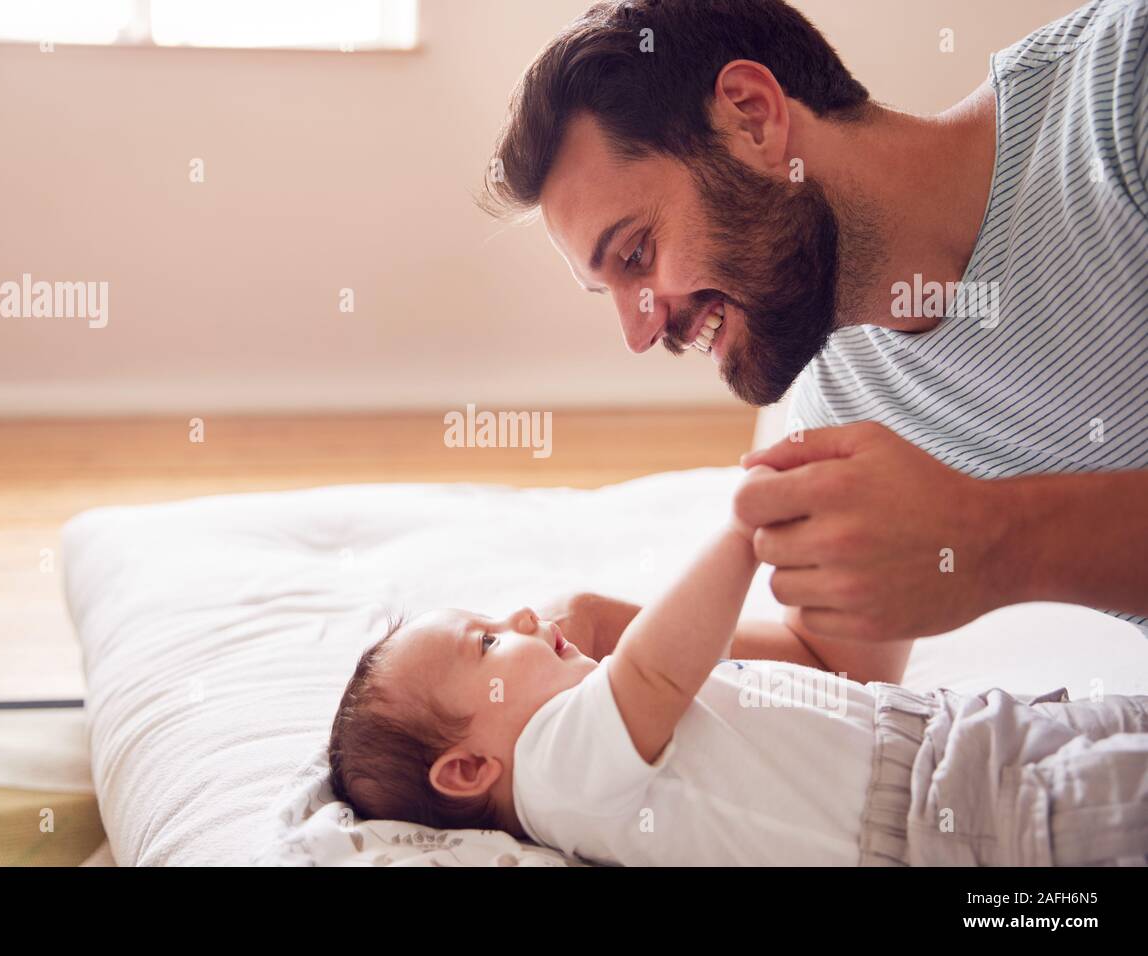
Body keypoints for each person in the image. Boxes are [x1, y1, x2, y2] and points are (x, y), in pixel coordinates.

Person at [480, 0, 1147, 641]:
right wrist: (609, 631)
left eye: (636, 254)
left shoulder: (1121, 86)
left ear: (752, 117)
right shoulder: (842, 398)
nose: (639, 334)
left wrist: (1000, 541)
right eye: (611, 293)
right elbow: (830, 664)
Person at [326, 467, 1148, 864]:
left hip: (956, 744)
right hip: (957, 825)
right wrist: (740, 534)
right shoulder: (553, 775)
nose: (525, 619)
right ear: (470, 768)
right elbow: (655, 669)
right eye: (488, 643)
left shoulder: (594, 750)